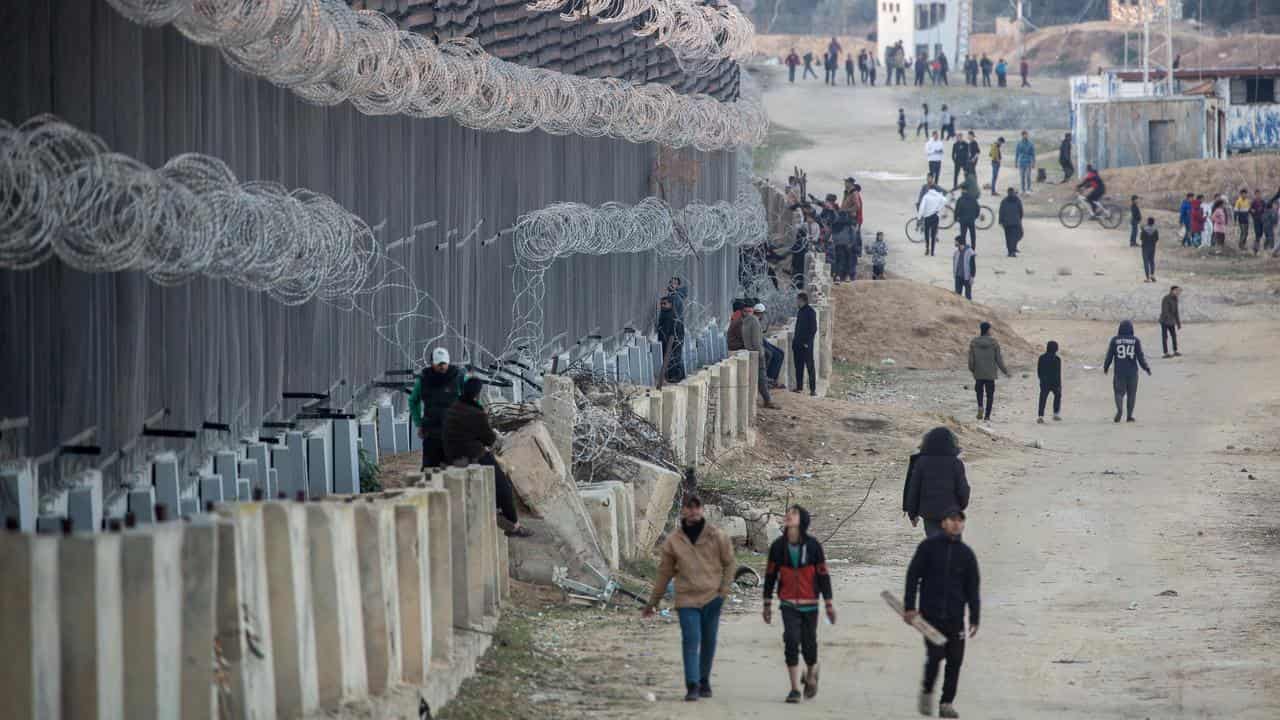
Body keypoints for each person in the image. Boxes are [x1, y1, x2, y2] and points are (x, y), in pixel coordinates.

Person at [643, 494, 735, 702]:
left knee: (709, 640)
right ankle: (692, 684)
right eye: (689, 508)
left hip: (712, 597)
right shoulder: (674, 541)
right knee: (691, 639)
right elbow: (664, 573)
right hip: (686, 599)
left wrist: (724, 590)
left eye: (697, 507)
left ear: (702, 510)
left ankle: (704, 680)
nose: (694, 511)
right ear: (683, 510)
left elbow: (729, 563)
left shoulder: (716, 536)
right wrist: (653, 602)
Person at [903, 507, 980, 720]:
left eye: (960, 521)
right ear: (943, 522)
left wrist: (974, 618)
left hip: (956, 618)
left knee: (955, 660)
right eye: (952, 520)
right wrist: (910, 607)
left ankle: (946, 703)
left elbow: (972, 589)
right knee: (935, 657)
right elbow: (913, 577)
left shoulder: (966, 555)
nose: (956, 524)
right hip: (931, 616)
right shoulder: (928, 548)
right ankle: (927, 690)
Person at [762, 505, 836, 704]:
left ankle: (811, 673)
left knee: (809, 644)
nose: (788, 516)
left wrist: (828, 603)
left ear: (802, 520)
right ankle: (794, 689)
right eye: (788, 513)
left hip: (810, 603)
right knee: (792, 641)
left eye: (793, 514)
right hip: (787, 603)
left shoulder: (813, 546)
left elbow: (823, 575)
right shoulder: (778, 546)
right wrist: (767, 603)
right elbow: (770, 576)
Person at [442, 378, 533, 537]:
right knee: (504, 487)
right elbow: (490, 439)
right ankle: (514, 525)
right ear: (477, 394)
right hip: (472, 456)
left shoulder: (453, 408)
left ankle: (498, 512)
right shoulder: (476, 413)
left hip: (451, 456)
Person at [902, 427, 970, 537]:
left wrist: (912, 514)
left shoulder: (921, 463)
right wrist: (960, 506)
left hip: (930, 515)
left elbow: (914, 489)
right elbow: (963, 489)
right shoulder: (956, 463)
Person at [409, 347, 465, 469]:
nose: (442, 366)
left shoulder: (458, 377)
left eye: (444, 363)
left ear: (448, 362)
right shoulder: (424, 379)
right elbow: (413, 401)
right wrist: (418, 423)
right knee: (431, 470)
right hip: (431, 432)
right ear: (432, 363)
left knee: (455, 470)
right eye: (438, 363)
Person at [1103, 320, 1152, 423]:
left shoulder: (1114, 340)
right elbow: (1140, 357)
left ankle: (1119, 409)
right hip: (1132, 372)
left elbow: (1109, 356)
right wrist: (1146, 368)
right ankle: (1129, 416)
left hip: (1119, 372)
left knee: (1119, 393)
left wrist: (1106, 367)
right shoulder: (1136, 341)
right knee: (1131, 394)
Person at [968, 322, 1009, 420]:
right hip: (990, 374)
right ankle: (987, 416)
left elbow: (971, 359)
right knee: (990, 395)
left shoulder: (974, 342)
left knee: (979, 392)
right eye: (990, 329)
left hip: (979, 373)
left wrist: (973, 369)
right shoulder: (994, 343)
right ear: (988, 330)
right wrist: (1005, 371)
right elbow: (998, 359)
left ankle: (980, 406)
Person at [742, 303, 777, 408]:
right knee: (762, 378)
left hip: (749, 352)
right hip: (756, 354)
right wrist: (761, 353)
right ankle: (768, 401)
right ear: (761, 314)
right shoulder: (755, 322)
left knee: (759, 378)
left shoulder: (747, 321)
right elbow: (757, 342)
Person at [792, 292, 817, 395]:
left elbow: (813, 329)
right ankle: (799, 387)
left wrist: (807, 342)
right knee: (798, 366)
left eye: (797, 300)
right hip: (797, 344)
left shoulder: (811, 312)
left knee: (810, 367)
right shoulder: (800, 311)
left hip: (806, 345)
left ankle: (812, 390)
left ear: (802, 300)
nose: (796, 302)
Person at [657, 295, 686, 383]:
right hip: (666, 341)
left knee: (675, 358)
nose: (662, 306)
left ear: (670, 304)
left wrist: (675, 340)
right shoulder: (664, 314)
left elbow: (677, 329)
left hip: (674, 341)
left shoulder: (673, 315)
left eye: (664, 304)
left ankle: (677, 376)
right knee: (669, 359)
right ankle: (671, 376)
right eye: (661, 304)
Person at [1037, 341, 1063, 423]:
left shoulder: (1041, 357)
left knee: (1043, 398)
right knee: (1057, 396)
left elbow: (1039, 371)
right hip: (1055, 382)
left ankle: (1040, 416)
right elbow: (1058, 373)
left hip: (1044, 382)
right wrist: (1059, 384)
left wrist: (1041, 380)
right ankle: (1055, 414)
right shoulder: (1057, 359)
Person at [918, 184, 946, 257]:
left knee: (927, 233)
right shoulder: (938, 196)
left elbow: (922, 207)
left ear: (929, 189)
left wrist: (919, 217)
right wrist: (938, 208)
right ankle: (933, 251)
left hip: (927, 217)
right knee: (933, 235)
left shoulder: (926, 196)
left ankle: (927, 249)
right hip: (935, 217)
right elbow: (944, 200)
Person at [998, 188, 1023, 258]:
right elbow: (1021, 211)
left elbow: (1001, 212)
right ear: (1014, 192)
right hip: (1015, 222)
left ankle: (1010, 251)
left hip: (1006, 223)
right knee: (1015, 236)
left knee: (1008, 237)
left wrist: (1000, 221)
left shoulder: (1004, 201)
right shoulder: (1017, 200)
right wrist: (1019, 219)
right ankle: (1013, 250)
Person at [1159, 286, 1182, 358]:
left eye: (1179, 291)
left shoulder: (1175, 299)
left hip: (1171, 321)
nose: (1179, 293)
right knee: (1165, 337)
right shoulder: (1166, 298)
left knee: (1174, 336)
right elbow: (1165, 311)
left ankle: (1175, 351)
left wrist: (1178, 323)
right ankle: (1165, 353)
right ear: (1172, 291)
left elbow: (1176, 312)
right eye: (1177, 291)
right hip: (1164, 321)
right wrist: (1170, 320)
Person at [952, 236, 976, 301]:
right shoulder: (956, 253)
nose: (955, 243)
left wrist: (972, 277)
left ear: (959, 242)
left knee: (968, 296)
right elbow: (954, 264)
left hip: (967, 278)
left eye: (956, 241)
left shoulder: (970, 252)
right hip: (958, 277)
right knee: (957, 295)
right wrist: (955, 274)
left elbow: (973, 266)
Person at [1139, 217, 1159, 282]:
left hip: (1145, 247)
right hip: (1153, 247)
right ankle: (1152, 275)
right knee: (1152, 261)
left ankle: (1147, 278)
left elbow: (1141, 238)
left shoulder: (1144, 230)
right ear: (1153, 222)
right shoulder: (1155, 230)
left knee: (1146, 262)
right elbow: (1157, 239)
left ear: (1147, 222)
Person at [1250, 189, 1267, 254]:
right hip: (1256, 220)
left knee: (1261, 234)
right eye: (1257, 194)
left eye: (1259, 194)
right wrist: (1253, 211)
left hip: (1262, 220)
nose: (1258, 195)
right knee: (1257, 234)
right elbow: (1250, 210)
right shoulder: (1253, 202)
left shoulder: (1263, 202)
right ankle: (1255, 249)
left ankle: (1257, 247)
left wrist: (1263, 210)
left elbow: (1266, 209)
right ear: (1255, 195)